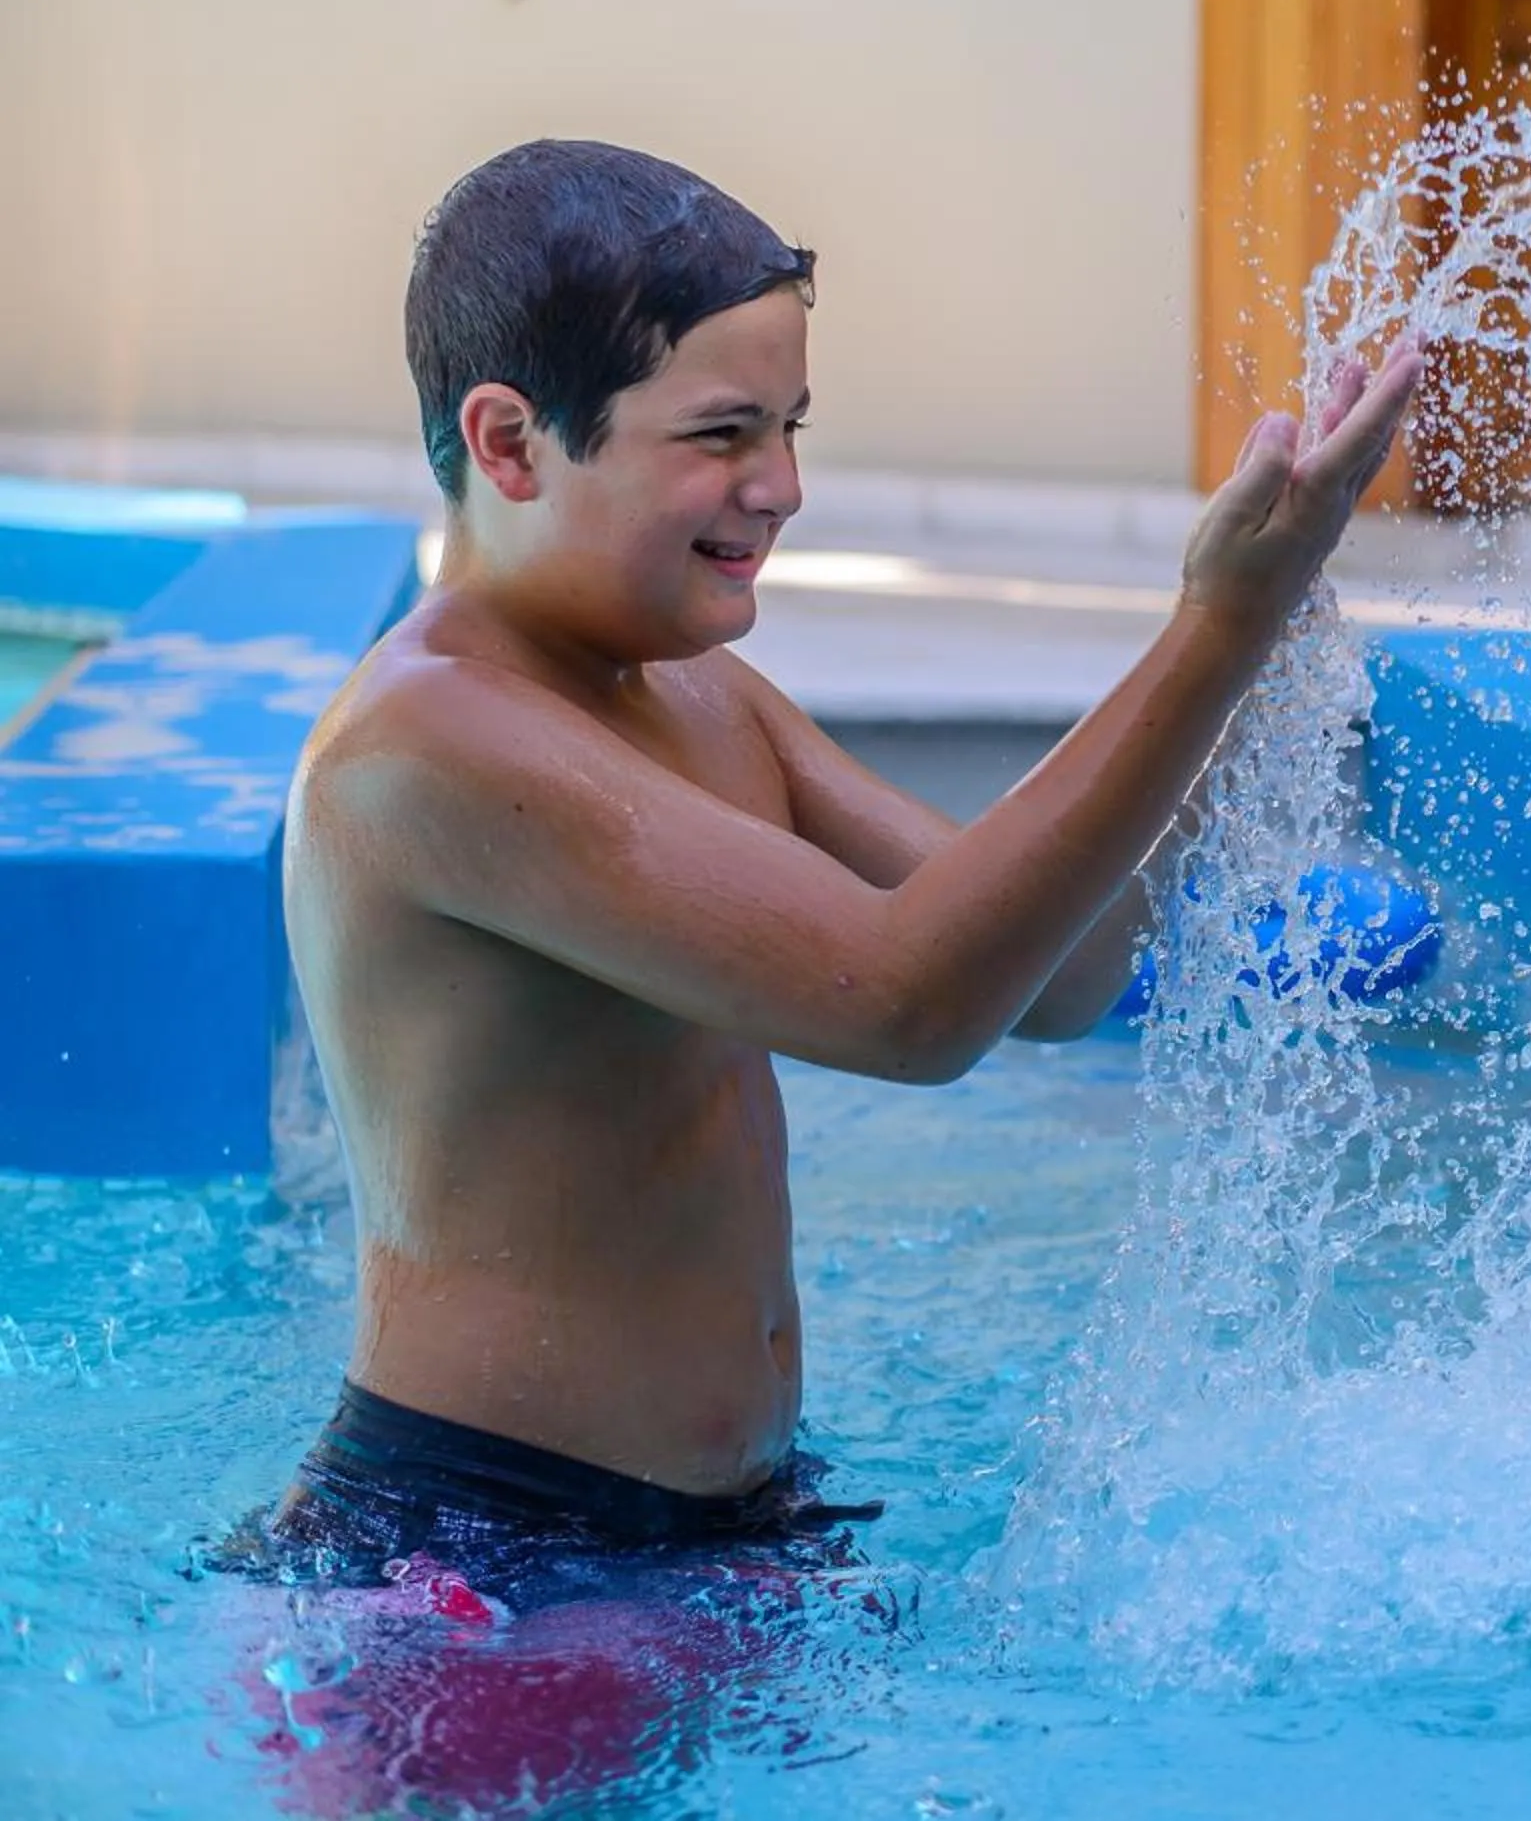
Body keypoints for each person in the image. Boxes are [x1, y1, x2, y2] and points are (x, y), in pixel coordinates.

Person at [247, 138, 1423, 1598]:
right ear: (510, 443)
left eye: (791, 426)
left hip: (720, 1528)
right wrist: (1211, 628)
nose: (782, 485)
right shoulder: (428, 742)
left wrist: (1238, 669)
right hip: (477, 1560)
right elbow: (910, 1008)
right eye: (722, 433)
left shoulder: (699, 696)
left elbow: (1056, 976)